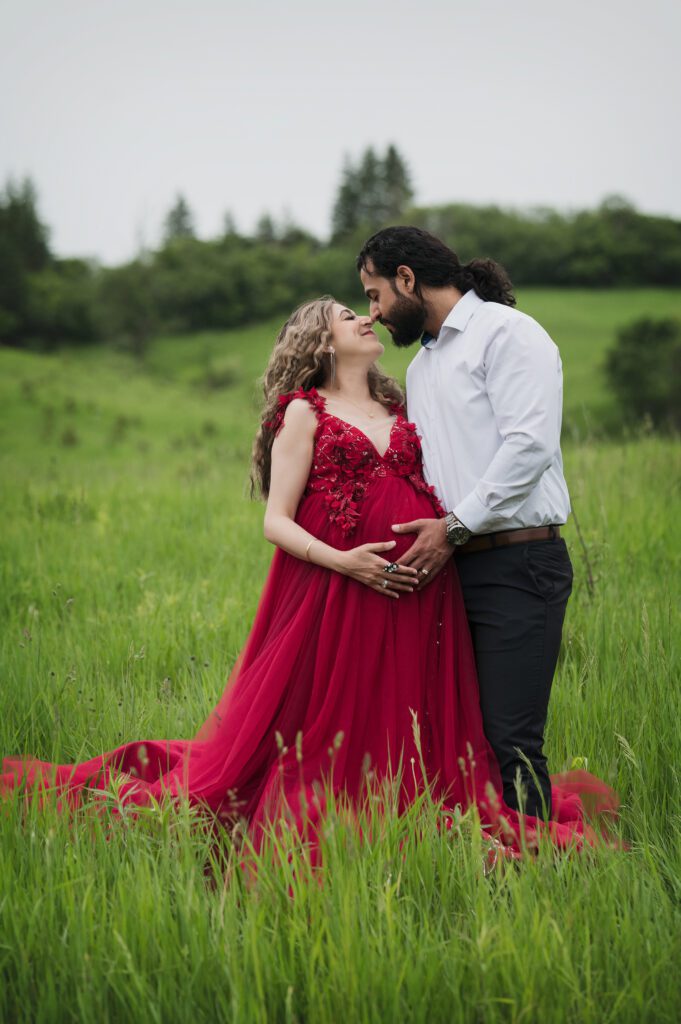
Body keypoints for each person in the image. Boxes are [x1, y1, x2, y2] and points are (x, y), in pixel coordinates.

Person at [1, 297, 615, 859]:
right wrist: (345, 561)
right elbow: (276, 520)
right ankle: (354, 809)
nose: (366, 317)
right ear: (320, 341)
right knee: (339, 719)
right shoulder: (304, 411)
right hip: (343, 590)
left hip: (422, 592)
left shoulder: (401, 405)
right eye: (349, 315)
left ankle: (423, 803)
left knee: (413, 712)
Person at [358, 226, 575, 819]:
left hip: (519, 565)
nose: (373, 314)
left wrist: (452, 528)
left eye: (376, 295)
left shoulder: (507, 334)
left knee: (511, 740)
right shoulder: (422, 368)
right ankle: (480, 859)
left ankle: (535, 863)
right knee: (461, 736)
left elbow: (529, 447)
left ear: (408, 278)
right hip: (451, 571)